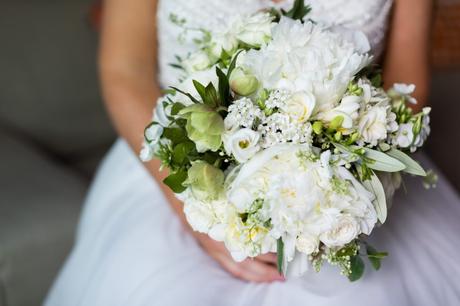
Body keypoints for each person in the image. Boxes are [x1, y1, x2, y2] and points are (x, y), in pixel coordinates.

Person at [45, 0, 460, 305]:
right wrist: (191, 209)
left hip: (353, 170)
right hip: (168, 164)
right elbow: (124, 71)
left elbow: (407, 87)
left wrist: (341, 190)